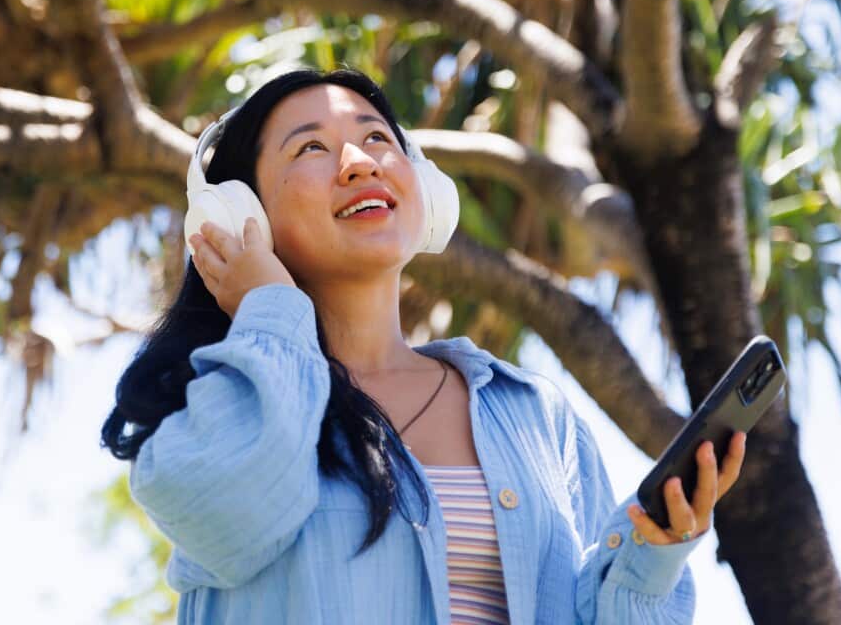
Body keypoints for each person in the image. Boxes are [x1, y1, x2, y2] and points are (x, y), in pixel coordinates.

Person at [101, 67, 746, 624]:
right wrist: (270, 311)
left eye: (377, 138)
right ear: (241, 216)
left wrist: (650, 555)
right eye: (311, 149)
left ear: (425, 190)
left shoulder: (532, 415)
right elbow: (229, 517)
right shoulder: (218, 406)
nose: (359, 162)